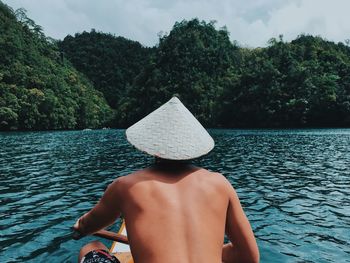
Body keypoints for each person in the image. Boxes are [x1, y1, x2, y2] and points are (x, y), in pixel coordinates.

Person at [73, 97, 259, 263]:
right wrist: (215, 252)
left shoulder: (126, 186)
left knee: (92, 247)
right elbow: (248, 257)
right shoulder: (220, 184)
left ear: (152, 146)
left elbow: (88, 226)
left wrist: (80, 227)